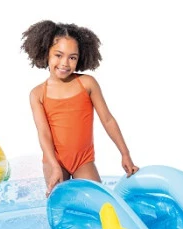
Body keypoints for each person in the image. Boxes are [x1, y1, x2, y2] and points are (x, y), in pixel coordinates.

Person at [21, 20, 139, 194]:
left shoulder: (87, 83)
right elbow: (44, 133)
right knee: (62, 204)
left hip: (83, 160)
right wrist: (54, 165)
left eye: (72, 57)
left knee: (99, 201)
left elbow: (107, 120)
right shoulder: (37, 94)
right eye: (58, 55)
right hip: (54, 161)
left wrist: (125, 154)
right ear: (46, 53)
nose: (65, 63)